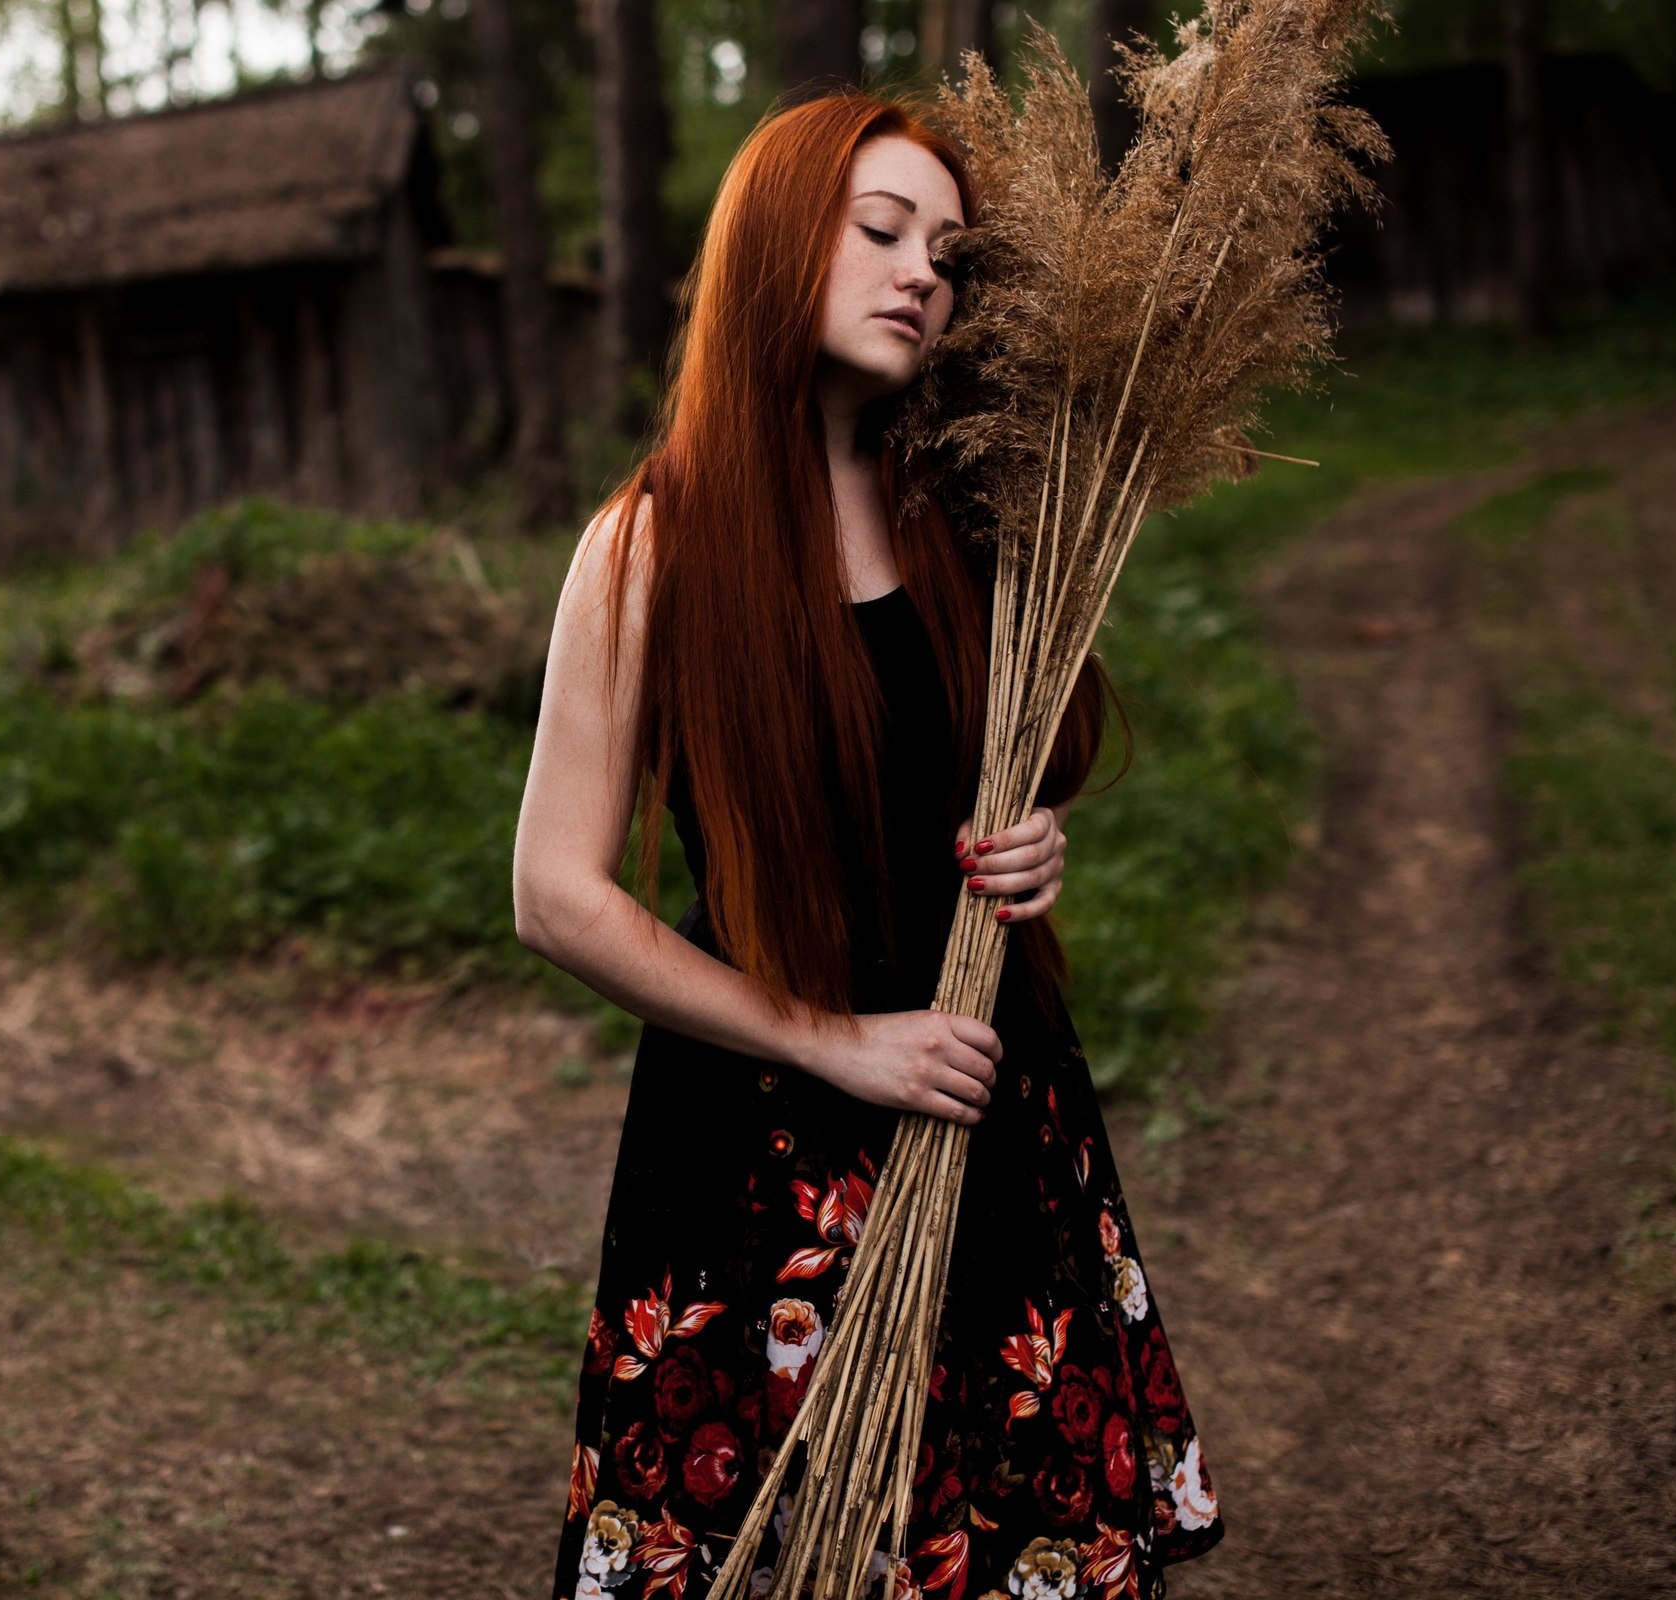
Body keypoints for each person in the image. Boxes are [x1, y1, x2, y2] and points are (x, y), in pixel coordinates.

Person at [512, 93, 1223, 1600]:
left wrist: (1032, 843)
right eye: (882, 230)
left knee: (1003, 1542)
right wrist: (835, 1043)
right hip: (767, 1148)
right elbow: (557, 897)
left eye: (949, 256)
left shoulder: (970, 508)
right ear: (778, 242)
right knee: (778, 1551)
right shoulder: (656, 545)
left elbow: (1013, 765)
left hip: (985, 1101)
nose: (924, 277)